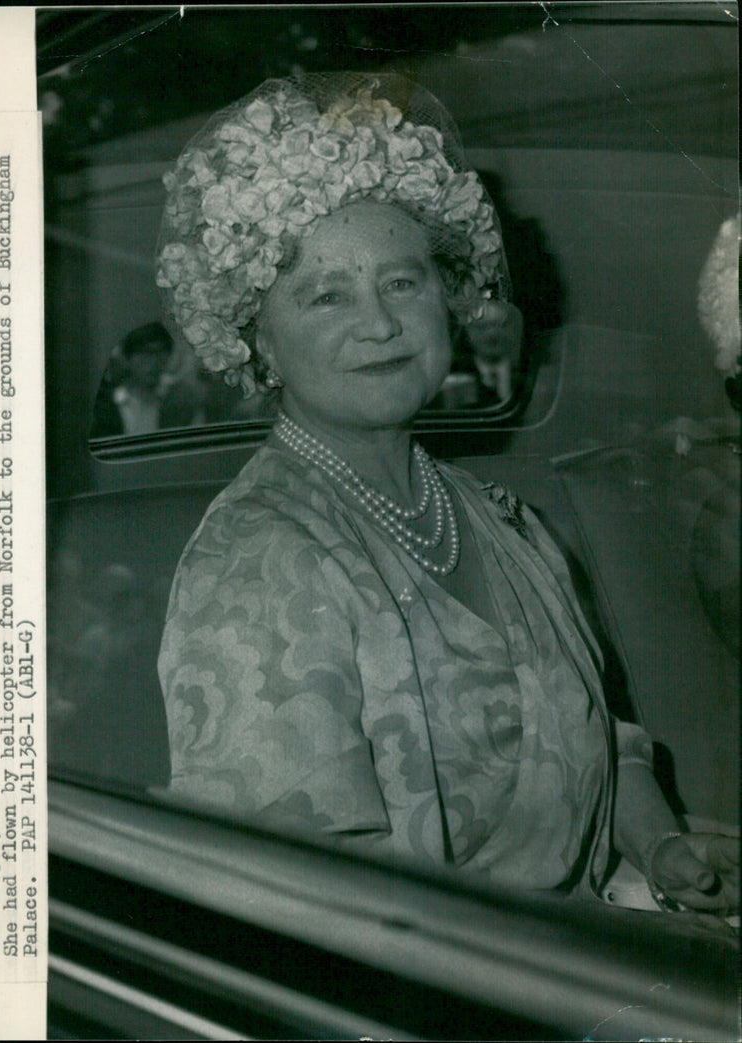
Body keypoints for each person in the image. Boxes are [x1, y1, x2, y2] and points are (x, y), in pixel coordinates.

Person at [156, 73, 737, 913]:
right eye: (327, 294)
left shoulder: (506, 524)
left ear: (449, 301)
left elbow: (598, 743)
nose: (382, 323)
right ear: (258, 340)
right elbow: (306, 911)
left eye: (403, 282)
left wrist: (661, 845)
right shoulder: (256, 561)